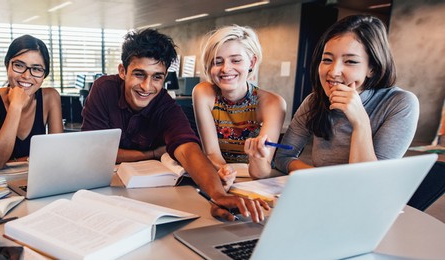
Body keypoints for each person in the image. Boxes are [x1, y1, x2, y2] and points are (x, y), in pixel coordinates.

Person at [81, 29, 269, 223]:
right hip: (102, 189)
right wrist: (151, 154)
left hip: (146, 193)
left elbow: (188, 150)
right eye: (139, 74)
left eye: (157, 77)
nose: (147, 86)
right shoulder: (104, 89)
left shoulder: (166, 106)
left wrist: (218, 195)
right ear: (122, 71)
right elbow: (94, 152)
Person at [274, 15, 419, 173]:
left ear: (373, 68)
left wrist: (360, 122)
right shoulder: (314, 101)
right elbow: (283, 157)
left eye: (350, 61)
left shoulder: (400, 103)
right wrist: (318, 179)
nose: (334, 72)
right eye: (327, 60)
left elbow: (370, 180)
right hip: (322, 193)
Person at [192, 25, 286, 181]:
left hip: (258, 181)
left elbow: (261, 172)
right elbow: (212, 154)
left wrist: (257, 158)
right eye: (217, 62)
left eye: (236, 60)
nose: (226, 68)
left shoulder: (273, 103)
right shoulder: (203, 93)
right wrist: (225, 172)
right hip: (221, 175)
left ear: (251, 62)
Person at [0, 35, 63, 169]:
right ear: (7, 65)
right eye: (19, 65)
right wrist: (16, 106)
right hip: (0, 184)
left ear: (44, 74)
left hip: (38, 178)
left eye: (36, 69)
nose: (26, 76)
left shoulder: (50, 97)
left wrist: (16, 161)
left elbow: (57, 155)